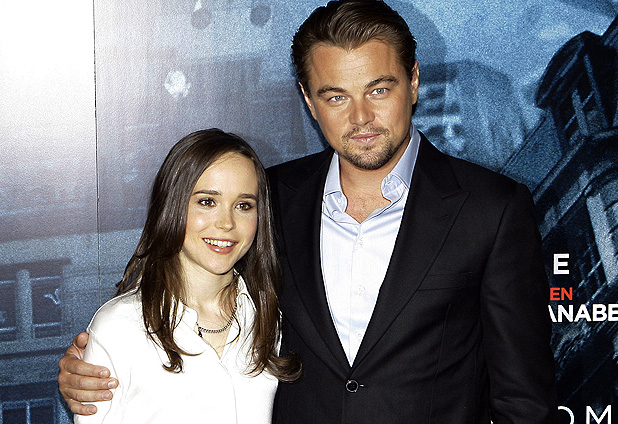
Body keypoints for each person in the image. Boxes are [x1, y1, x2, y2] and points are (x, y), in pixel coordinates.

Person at [59, 1, 558, 422]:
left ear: (412, 81)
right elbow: (191, 296)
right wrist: (98, 364)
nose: (361, 117)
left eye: (378, 90)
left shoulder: (492, 210)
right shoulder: (268, 200)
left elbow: (524, 401)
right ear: (309, 100)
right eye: (336, 96)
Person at [69, 129, 299, 423]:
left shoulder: (270, 317)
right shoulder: (120, 326)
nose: (227, 223)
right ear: (172, 205)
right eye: (207, 201)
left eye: (244, 205)